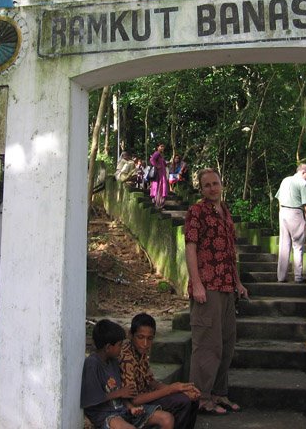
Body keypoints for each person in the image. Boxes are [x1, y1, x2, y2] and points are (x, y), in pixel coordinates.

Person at [184, 168, 249, 416]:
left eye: (215, 183)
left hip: (227, 287)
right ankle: (200, 398)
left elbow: (230, 252)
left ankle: (219, 394)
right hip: (207, 288)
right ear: (201, 189)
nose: (212, 188)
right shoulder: (196, 212)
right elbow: (190, 248)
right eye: (207, 185)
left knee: (226, 344)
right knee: (207, 346)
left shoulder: (226, 212)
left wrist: (238, 282)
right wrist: (197, 283)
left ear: (222, 185)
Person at [81, 319, 175, 429]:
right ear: (108, 348)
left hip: (123, 410)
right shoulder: (92, 364)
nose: (122, 349)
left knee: (167, 419)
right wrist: (119, 393)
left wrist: (131, 407)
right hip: (106, 415)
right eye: (120, 345)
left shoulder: (114, 362)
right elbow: (92, 398)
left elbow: (122, 393)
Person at [119, 313, 200, 429]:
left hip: (147, 395)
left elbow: (152, 381)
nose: (145, 343)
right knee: (183, 401)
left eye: (150, 338)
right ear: (131, 335)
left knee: (192, 399)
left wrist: (181, 389)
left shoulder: (141, 351)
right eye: (140, 337)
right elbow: (135, 400)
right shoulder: (126, 357)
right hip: (134, 406)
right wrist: (170, 389)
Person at [274, 163, 306, 283]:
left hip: (283, 213)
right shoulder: (302, 183)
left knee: (284, 245)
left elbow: (279, 199)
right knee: (297, 246)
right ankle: (298, 277)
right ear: (303, 172)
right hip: (295, 212)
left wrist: (281, 213)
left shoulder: (285, 180)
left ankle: (281, 277)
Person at [149, 143, 169, 209]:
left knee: (162, 188)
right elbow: (152, 160)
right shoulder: (157, 153)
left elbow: (164, 164)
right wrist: (157, 166)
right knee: (159, 187)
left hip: (162, 174)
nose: (162, 148)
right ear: (158, 147)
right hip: (159, 174)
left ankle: (160, 204)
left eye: (163, 146)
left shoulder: (161, 155)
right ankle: (157, 204)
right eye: (161, 146)